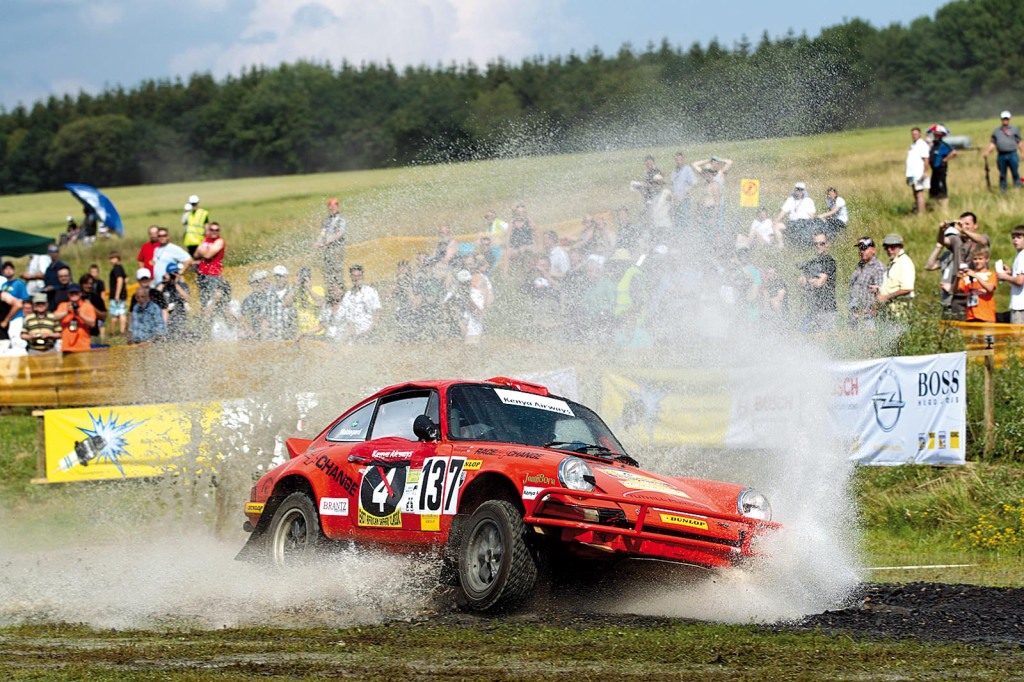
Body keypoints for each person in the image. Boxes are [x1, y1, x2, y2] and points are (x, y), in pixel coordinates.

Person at [797, 230, 837, 332]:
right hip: (813, 309)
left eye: (822, 243)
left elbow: (820, 283)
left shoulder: (829, 261)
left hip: (827, 310)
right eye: (816, 244)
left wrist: (809, 280)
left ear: (827, 244)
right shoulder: (811, 262)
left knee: (825, 342)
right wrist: (812, 280)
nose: (818, 246)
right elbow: (800, 281)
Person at [847, 237, 888, 330]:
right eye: (860, 248)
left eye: (864, 248)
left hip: (868, 318)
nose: (861, 251)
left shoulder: (878, 268)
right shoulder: (860, 265)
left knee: (868, 343)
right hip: (854, 315)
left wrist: (873, 308)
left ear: (873, 250)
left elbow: (881, 292)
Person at [876, 233, 916, 318]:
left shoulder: (904, 262)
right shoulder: (894, 262)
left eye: (893, 247)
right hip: (890, 311)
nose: (889, 250)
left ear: (900, 246)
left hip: (900, 313)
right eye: (886, 247)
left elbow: (907, 288)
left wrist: (885, 297)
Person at [982, 111, 1023, 193]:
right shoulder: (997, 131)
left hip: (1012, 154)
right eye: (1004, 119)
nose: (1005, 120)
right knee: (1002, 174)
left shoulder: (1014, 129)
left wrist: (1023, 152)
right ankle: (1003, 190)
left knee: (1015, 172)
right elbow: (993, 143)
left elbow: (1020, 142)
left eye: (1007, 119)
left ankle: (1017, 189)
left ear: (1009, 119)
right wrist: (987, 151)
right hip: (1001, 156)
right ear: (1001, 119)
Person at [339, 264, 381, 341]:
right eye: (354, 276)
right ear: (351, 277)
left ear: (362, 276)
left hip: (367, 333)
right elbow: (343, 314)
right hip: (351, 335)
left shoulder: (371, 292)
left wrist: (371, 329)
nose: (357, 278)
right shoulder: (348, 295)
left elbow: (378, 311)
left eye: (359, 275)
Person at [957, 247, 996, 323]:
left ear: (987, 259)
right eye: (975, 259)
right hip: (970, 316)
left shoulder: (991, 274)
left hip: (986, 316)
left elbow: (990, 289)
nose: (977, 261)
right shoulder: (967, 275)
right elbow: (956, 290)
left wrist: (976, 276)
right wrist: (957, 279)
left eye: (980, 259)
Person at [53, 284, 96, 353]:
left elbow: (92, 323)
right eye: (71, 293)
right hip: (67, 347)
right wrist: (66, 312)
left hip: (83, 346)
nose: (74, 295)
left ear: (80, 294)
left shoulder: (87, 306)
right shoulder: (63, 305)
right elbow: (54, 318)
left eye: (76, 293)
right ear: (68, 294)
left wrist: (80, 314)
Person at [154, 262, 190, 341]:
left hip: (179, 320)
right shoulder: (162, 285)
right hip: (164, 321)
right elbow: (154, 297)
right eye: (172, 274)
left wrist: (176, 285)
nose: (174, 276)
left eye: (176, 273)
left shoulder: (183, 285)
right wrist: (164, 282)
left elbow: (187, 298)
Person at [316, 197, 347, 287]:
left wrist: (328, 241)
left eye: (334, 206)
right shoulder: (326, 220)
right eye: (330, 207)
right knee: (327, 270)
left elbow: (340, 233)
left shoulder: (341, 220)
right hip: (327, 248)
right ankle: (330, 289)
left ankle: (340, 289)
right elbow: (323, 233)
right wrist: (318, 241)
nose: (332, 209)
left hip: (336, 248)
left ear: (338, 207)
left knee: (337, 270)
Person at [995, 226, 1024, 323]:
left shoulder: (1023, 256)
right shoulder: (1019, 254)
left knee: (1018, 336)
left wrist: (1004, 277)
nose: (1015, 240)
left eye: (1019, 237)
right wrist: (1011, 272)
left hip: (1020, 306)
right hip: (1018, 304)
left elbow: (1020, 281)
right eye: (1013, 237)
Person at [776, 182, 817, 247]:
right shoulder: (790, 200)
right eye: (797, 189)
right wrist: (776, 221)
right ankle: (781, 246)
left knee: (805, 231)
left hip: (804, 223)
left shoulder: (808, 201)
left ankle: (805, 245)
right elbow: (783, 212)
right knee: (776, 226)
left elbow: (812, 216)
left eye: (801, 190)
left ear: (804, 191)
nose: (799, 191)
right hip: (792, 223)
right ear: (794, 190)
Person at [194, 221, 225, 307]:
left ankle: (215, 316)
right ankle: (206, 317)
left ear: (219, 231)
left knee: (215, 298)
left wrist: (202, 251)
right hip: (202, 273)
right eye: (212, 229)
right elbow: (195, 255)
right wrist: (203, 252)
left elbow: (208, 255)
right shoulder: (205, 240)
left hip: (214, 274)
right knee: (204, 299)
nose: (214, 231)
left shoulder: (219, 241)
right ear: (209, 230)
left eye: (216, 230)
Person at [0, 261, 29, 353]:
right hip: (7, 315)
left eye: (10, 269)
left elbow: (23, 301)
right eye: (6, 269)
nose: (8, 271)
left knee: (16, 340)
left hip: (16, 316)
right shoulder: (4, 285)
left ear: (13, 270)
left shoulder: (19, 283)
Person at [927, 125, 956, 210]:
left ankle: (944, 208)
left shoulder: (943, 145)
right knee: (933, 189)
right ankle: (935, 207)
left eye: (936, 134)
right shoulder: (932, 145)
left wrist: (945, 159)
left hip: (941, 170)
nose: (935, 136)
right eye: (934, 134)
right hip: (934, 170)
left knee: (942, 189)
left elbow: (953, 152)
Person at [670, 150, 699, 231]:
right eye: (677, 159)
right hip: (676, 201)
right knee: (677, 221)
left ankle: (687, 235)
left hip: (684, 200)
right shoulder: (674, 172)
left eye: (680, 159)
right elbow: (672, 187)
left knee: (685, 220)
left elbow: (694, 183)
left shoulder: (687, 169)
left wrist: (684, 195)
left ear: (683, 159)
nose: (678, 161)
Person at [905, 127, 931, 214]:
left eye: (916, 134)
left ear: (919, 134)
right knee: (915, 192)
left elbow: (926, 159)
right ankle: (917, 209)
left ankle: (921, 212)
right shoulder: (913, 145)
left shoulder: (922, 144)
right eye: (913, 134)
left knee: (919, 193)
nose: (914, 135)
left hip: (918, 173)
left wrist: (924, 172)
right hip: (911, 173)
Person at [79, 274, 107, 343]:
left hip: (93, 334)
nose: (89, 286)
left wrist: (92, 307)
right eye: (86, 283)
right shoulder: (75, 297)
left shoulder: (96, 297)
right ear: (81, 284)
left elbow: (104, 316)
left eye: (91, 284)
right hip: (78, 334)